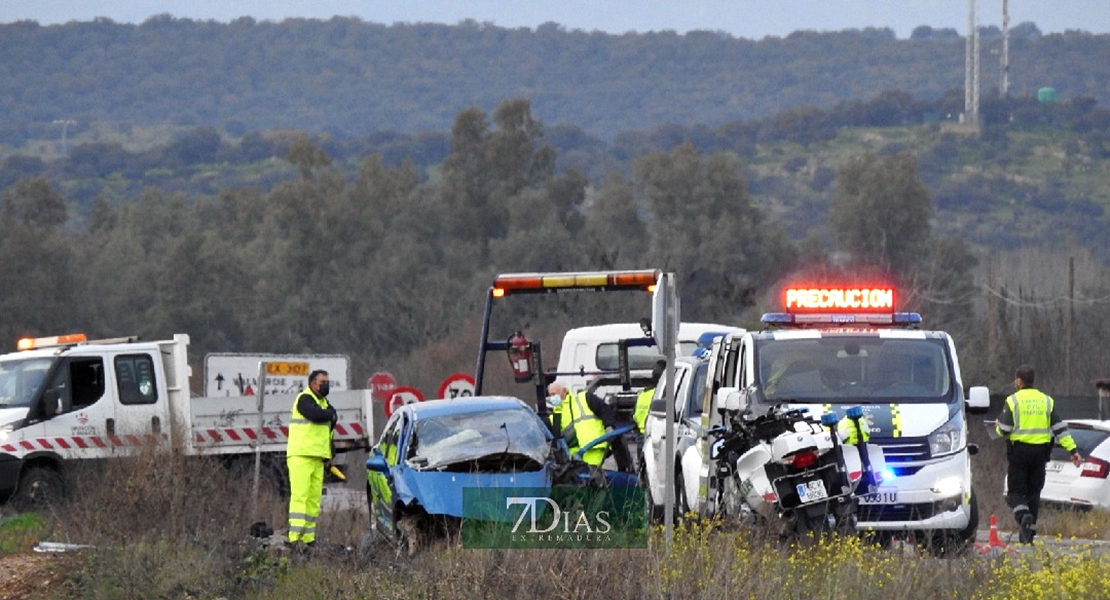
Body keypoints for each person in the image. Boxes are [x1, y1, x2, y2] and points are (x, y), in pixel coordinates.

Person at [995, 364, 1083, 544]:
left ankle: (1023, 516)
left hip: (1019, 452)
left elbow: (1004, 430)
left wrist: (997, 426)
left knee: (1015, 492)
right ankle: (1029, 534)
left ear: (1019, 381)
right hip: (1040, 454)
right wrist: (1073, 451)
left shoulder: (1013, 401)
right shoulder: (1047, 401)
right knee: (1034, 493)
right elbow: (1060, 429)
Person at [286, 370, 337, 548]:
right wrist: (329, 413)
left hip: (317, 457)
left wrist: (330, 453)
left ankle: (308, 539)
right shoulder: (304, 399)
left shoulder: (323, 402)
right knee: (300, 496)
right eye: (323, 382)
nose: (326, 385)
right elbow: (317, 415)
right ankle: (294, 537)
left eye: (327, 381)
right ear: (313, 383)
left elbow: (331, 422)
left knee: (313, 499)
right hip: (301, 455)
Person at [547, 381, 608, 466]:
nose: (551, 398)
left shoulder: (583, 398)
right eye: (550, 395)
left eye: (554, 394)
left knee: (590, 475)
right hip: (573, 455)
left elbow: (605, 410)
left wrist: (609, 427)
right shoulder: (555, 415)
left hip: (592, 447)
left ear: (564, 391)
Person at [633, 360, 666, 434]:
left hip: (641, 433)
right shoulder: (662, 393)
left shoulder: (644, 393)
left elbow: (633, 416)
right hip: (655, 433)